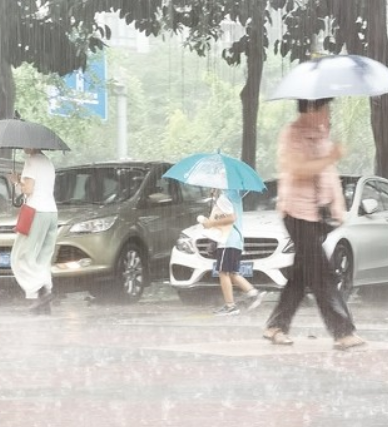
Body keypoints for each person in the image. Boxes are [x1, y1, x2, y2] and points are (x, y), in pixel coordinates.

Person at [263, 98, 365, 349]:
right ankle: (342, 331)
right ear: (311, 109)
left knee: (301, 276)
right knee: (322, 273)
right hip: (296, 213)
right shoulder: (292, 135)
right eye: (325, 109)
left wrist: (338, 210)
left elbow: (329, 175)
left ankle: (276, 325)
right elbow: (298, 169)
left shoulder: (321, 135)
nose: (328, 113)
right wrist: (329, 156)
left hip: (316, 215)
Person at [201, 188, 266, 316]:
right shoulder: (234, 195)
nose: (211, 187)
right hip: (235, 239)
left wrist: (210, 223)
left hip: (228, 239)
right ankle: (253, 293)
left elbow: (231, 218)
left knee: (223, 272)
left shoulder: (225, 197)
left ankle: (230, 306)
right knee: (230, 272)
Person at [9, 148, 58, 315]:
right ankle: (45, 299)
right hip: (52, 212)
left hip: (35, 212)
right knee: (43, 257)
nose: (24, 147)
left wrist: (16, 181)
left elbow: (28, 190)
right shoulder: (48, 162)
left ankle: (40, 292)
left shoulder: (32, 161)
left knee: (21, 256)